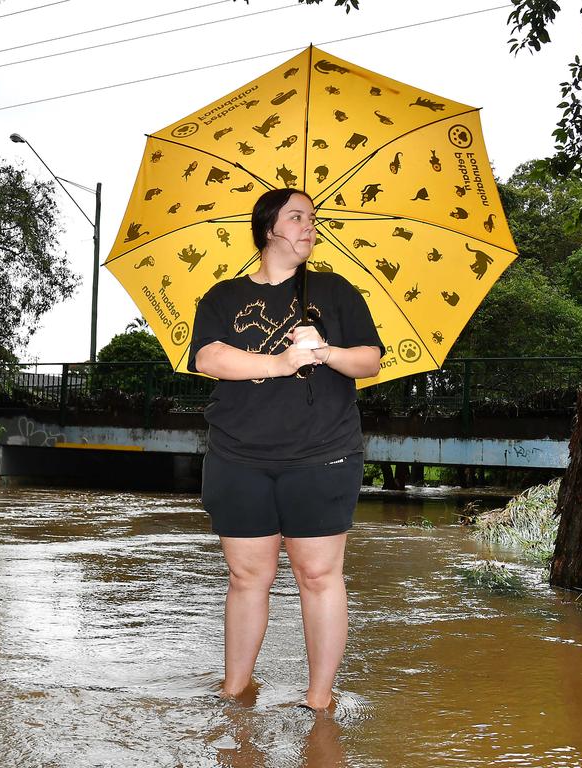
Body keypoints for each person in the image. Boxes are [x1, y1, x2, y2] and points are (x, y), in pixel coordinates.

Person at [188, 188, 384, 711]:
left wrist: (325, 351)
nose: (309, 226)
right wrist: (282, 362)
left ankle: (318, 700)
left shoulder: (336, 292)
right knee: (246, 577)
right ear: (268, 228)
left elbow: (370, 362)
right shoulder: (222, 298)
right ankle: (235, 691)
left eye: (313, 218)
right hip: (238, 457)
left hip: (322, 454)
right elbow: (209, 358)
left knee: (319, 577)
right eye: (296, 216)